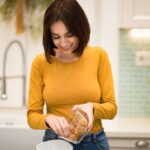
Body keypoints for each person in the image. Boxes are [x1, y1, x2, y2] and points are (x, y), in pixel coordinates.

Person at [27, 0, 117, 149]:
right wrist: (48, 118)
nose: (63, 43)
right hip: (55, 142)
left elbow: (111, 109)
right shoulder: (41, 62)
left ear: (80, 29)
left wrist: (92, 108)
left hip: (93, 143)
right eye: (56, 37)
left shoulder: (98, 56)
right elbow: (32, 117)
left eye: (69, 35)